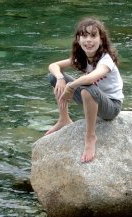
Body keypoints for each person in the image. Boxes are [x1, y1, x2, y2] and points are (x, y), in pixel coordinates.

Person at [45, 17, 124, 163]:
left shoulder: (106, 60)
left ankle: (90, 137)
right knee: (53, 78)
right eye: (84, 36)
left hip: (111, 106)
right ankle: (64, 119)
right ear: (78, 39)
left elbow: (89, 79)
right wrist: (60, 79)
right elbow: (53, 66)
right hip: (91, 97)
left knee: (87, 88)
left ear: (101, 40)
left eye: (93, 36)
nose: (88, 40)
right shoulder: (82, 58)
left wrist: (70, 86)